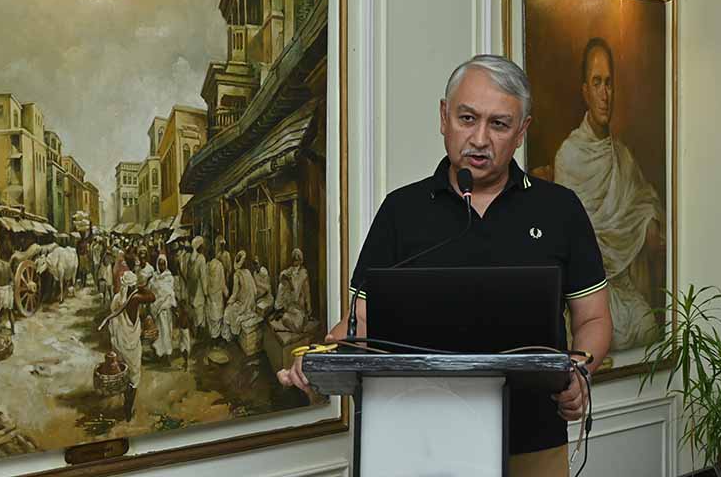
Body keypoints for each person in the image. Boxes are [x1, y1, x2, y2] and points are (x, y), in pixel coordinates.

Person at [278, 54, 612, 476]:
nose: (479, 139)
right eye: (467, 118)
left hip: (533, 440)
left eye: (499, 124)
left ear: (522, 131)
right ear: (443, 117)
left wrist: (580, 370)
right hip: (419, 442)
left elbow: (595, 318)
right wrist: (319, 357)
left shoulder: (560, 209)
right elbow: (360, 323)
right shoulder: (401, 211)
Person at [554, 38, 664, 352]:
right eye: (597, 83)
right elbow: (568, 237)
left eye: (610, 84)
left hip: (625, 286)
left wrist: (649, 221)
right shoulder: (569, 157)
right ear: (584, 91)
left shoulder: (623, 156)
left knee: (647, 328)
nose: (605, 94)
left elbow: (646, 202)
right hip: (588, 292)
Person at [103, 258, 155, 421]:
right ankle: (127, 409)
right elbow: (152, 297)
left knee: (124, 372)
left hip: (119, 343)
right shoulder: (134, 299)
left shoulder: (117, 299)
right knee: (134, 377)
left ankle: (125, 402)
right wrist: (142, 287)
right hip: (131, 344)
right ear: (132, 286)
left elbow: (113, 321)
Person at [271, 248, 311, 333]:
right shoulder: (291, 270)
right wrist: (286, 279)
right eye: (294, 260)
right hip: (290, 301)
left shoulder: (303, 273)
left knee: (289, 319)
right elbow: (283, 275)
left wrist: (308, 306)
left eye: (297, 259)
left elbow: (306, 292)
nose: (295, 262)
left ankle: (287, 327)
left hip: (298, 304)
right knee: (281, 285)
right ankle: (279, 310)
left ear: (300, 260)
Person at [223, 250, 257, 341]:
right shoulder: (248, 272)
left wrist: (228, 302)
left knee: (227, 312)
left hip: (243, 304)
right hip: (251, 302)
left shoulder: (237, 275)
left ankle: (229, 337)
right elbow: (255, 290)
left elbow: (234, 293)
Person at [149, 254, 176, 359]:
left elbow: (170, 293)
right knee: (159, 333)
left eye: (163, 264)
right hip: (156, 310)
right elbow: (151, 292)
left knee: (167, 332)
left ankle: (168, 354)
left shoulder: (169, 277)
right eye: (160, 264)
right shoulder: (154, 278)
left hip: (166, 309)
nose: (161, 266)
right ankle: (159, 354)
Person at [204, 238, 228, 340]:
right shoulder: (219, 265)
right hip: (217, 295)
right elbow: (222, 282)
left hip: (210, 295)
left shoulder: (206, 266)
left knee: (211, 315)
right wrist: (226, 293)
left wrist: (206, 293)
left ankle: (213, 337)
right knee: (218, 315)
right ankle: (216, 337)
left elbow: (204, 282)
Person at [0, 249, 15, 334]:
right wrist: (11, 287)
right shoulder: (7, 265)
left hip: (1, 290)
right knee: (9, 311)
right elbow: (12, 279)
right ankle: (13, 330)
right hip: (9, 289)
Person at [188, 236, 208, 332]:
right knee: (200, 310)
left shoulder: (191, 258)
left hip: (192, 288)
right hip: (199, 289)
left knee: (195, 311)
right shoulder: (201, 258)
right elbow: (203, 277)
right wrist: (205, 292)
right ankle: (200, 332)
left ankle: (197, 330)